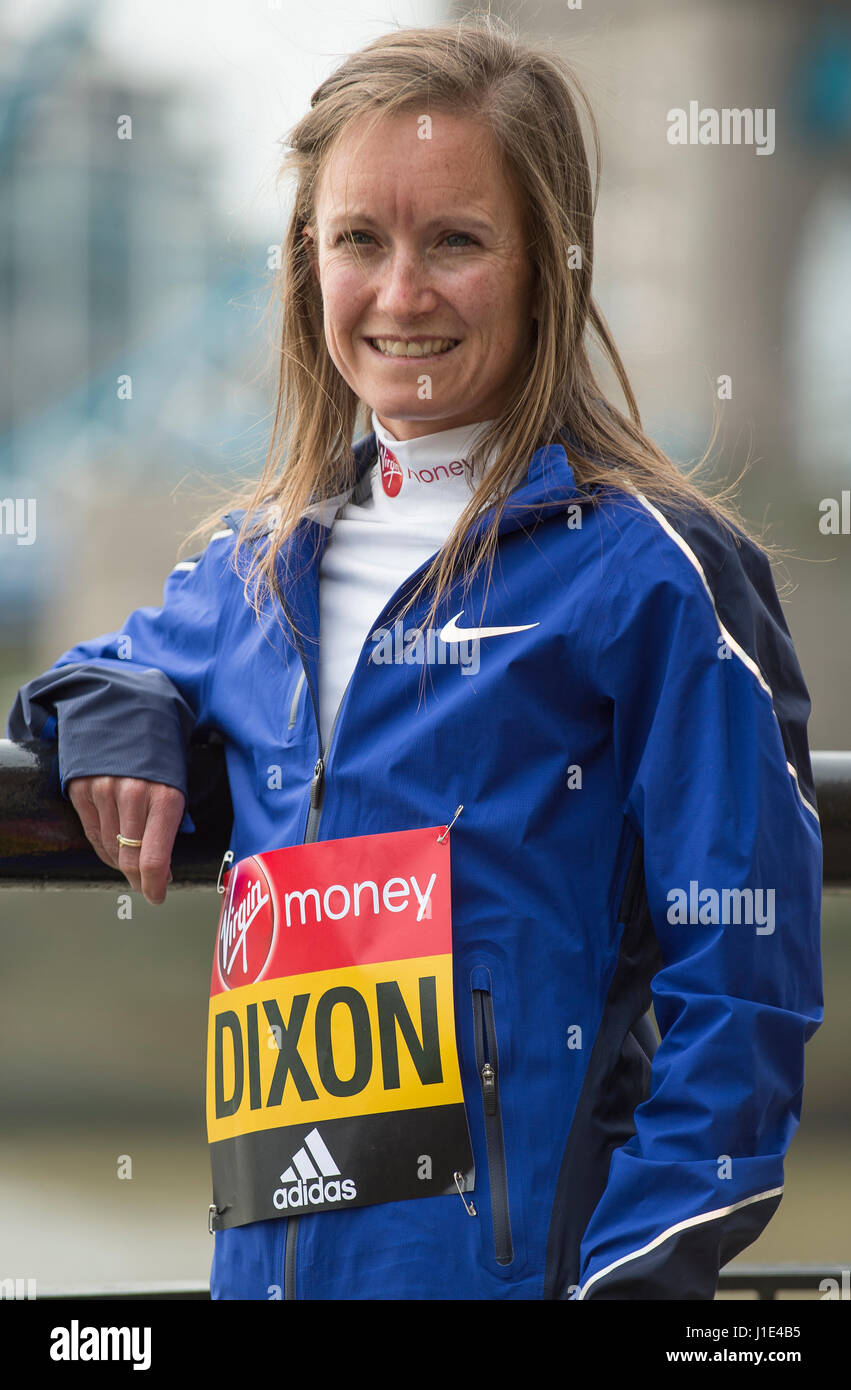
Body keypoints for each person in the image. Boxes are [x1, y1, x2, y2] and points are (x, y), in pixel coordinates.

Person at [6, 16, 823, 1301]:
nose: (400, 294)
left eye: (454, 240)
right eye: (358, 241)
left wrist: (632, 1286)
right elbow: (105, 668)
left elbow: (745, 990)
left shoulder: (655, 573)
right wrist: (111, 715)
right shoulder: (251, 566)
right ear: (304, 264)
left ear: (548, 262)